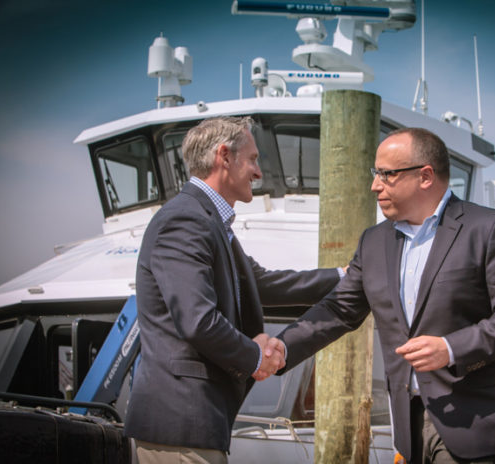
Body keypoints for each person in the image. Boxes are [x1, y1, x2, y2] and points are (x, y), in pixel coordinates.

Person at [276, 127, 495, 463]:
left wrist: (450, 348)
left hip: (477, 417)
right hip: (407, 423)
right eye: (376, 174)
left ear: (425, 176)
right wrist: (281, 347)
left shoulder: (489, 228)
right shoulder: (373, 241)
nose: (375, 186)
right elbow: (339, 309)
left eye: (387, 175)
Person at [124, 116, 341, 464]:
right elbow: (197, 320)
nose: (258, 172)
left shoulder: (206, 220)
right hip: (181, 424)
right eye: (253, 159)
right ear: (224, 157)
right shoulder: (187, 220)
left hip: (195, 424)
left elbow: (263, 283)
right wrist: (256, 357)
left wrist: (343, 276)